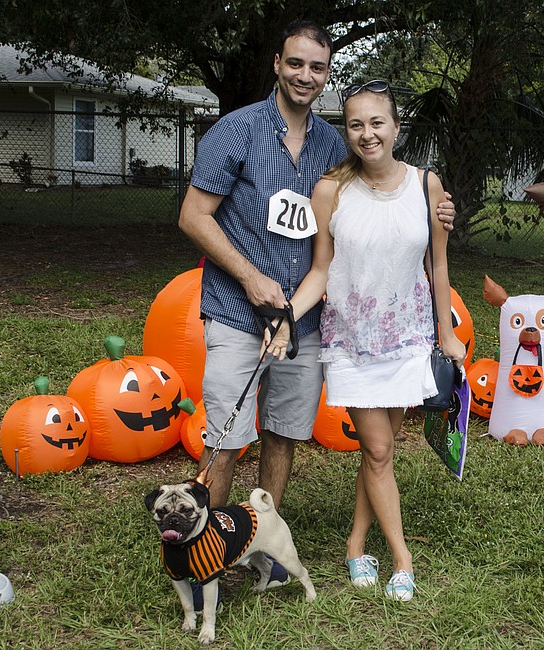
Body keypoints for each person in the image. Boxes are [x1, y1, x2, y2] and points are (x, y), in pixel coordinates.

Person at [178, 21, 455, 597]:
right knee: (227, 439)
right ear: (277, 64)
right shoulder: (237, 131)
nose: (305, 75)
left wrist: (436, 209)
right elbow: (193, 216)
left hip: (304, 321)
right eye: (296, 63)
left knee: (283, 434)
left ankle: (262, 550)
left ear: (327, 75)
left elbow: (382, 202)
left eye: (317, 67)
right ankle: (208, 558)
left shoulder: (334, 146)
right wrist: (251, 278)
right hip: (237, 308)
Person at [264, 79, 466, 602]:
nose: (367, 133)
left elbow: (438, 264)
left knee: (380, 455)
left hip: (408, 339)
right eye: (355, 124)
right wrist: (287, 318)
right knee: (378, 449)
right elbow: (321, 269)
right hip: (351, 342)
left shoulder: (427, 185)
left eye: (377, 122)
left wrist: (446, 334)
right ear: (346, 131)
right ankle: (402, 558)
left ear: (396, 127)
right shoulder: (330, 190)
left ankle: (356, 544)